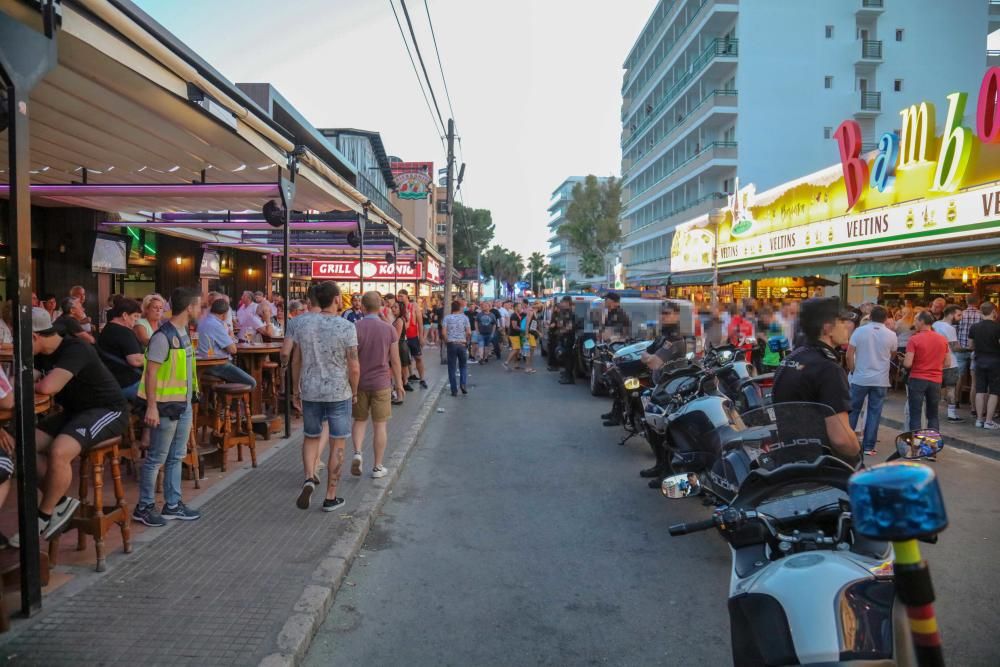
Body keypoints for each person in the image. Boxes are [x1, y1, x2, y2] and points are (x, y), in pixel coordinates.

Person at [28, 307, 129, 542]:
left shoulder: (76, 348)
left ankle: (44, 514)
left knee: (59, 451)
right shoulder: (38, 355)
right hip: (76, 412)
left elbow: (47, 387)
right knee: (20, 445)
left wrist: (32, 380)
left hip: (108, 410)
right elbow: (23, 380)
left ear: (34, 337)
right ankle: (61, 503)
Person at [282, 281, 359, 512]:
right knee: (338, 442)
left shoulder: (297, 322)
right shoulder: (346, 327)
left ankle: (309, 477)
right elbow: (354, 365)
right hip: (338, 391)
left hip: (310, 389)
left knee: (311, 436)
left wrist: (295, 390)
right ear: (336, 299)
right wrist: (354, 391)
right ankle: (330, 496)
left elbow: (293, 359)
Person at [131, 288, 202, 526]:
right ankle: (144, 506)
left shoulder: (183, 331)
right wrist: (151, 407)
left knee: (176, 455)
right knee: (156, 457)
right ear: (189, 308)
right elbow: (150, 372)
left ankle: (173, 504)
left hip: (182, 404)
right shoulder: (163, 336)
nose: (200, 309)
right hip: (165, 405)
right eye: (198, 305)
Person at [770, 297, 861, 464]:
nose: (847, 326)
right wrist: (857, 451)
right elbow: (841, 439)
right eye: (842, 321)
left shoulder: (793, 357)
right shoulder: (828, 369)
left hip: (789, 458)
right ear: (828, 328)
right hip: (819, 467)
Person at [350, 291, 405, 479]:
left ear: (363, 307)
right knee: (380, 425)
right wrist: (399, 384)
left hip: (359, 382)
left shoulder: (355, 327)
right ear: (380, 307)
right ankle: (377, 466)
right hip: (382, 382)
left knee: (359, 420)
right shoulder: (389, 329)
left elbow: (350, 359)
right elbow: (395, 360)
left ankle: (357, 453)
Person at [846, 305, 897, 456]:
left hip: (860, 378)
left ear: (870, 316)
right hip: (880, 379)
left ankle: (848, 445)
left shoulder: (859, 331)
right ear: (886, 318)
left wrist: (853, 370)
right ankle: (869, 446)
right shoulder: (891, 334)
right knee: (874, 412)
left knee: (853, 411)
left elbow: (849, 355)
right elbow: (893, 354)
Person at [903, 311, 951, 433]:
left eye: (915, 320)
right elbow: (947, 363)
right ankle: (932, 447)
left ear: (922, 322)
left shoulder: (914, 339)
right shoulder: (942, 339)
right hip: (936, 380)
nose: (914, 322)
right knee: (933, 415)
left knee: (915, 414)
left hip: (918, 378)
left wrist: (905, 360)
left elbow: (907, 363)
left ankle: (916, 446)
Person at [196, 298, 257, 388]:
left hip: (203, 364)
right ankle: (232, 400)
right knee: (252, 383)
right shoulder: (216, 324)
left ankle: (225, 399)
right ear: (224, 314)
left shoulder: (202, 321)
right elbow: (233, 350)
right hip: (216, 365)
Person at [97, 297, 145, 401]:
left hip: (112, 383)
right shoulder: (124, 332)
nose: (137, 320)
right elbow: (135, 360)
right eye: (135, 316)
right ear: (124, 315)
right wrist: (154, 357)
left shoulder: (108, 328)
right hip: (128, 384)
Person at [969, 301, 1000, 429]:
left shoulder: (974, 327)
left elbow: (971, 345)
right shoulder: (998, 327)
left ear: (981, 312)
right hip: (995, 361)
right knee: (994, 391)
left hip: (979, 360)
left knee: (980, 390)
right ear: (994, 312)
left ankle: (979, 419)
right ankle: (988, 421)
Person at [933, 305, 964, 423]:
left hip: (936, 361)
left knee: (935, 389)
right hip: (950, 362)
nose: (960, 318)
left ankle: (932, 412)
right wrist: (968, 349)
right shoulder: (949, 328)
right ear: (951, 314)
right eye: (959, 315)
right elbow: (954, 347)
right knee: (951, 388)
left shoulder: (935, 324)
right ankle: (951, 414)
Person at [956, 295, 982, 417]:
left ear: (966, 302)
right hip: (975, 350)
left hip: (960, 349)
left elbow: (955, 330)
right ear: (978, 302)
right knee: (974, 381)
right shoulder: (981, 315)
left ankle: (955, 402)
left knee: (959, 377)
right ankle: (973, 408)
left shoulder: (960, 314)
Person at [397, 290, 426, 388]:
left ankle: (422, 379)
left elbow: (420, 322)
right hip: (402, 337)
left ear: (407, 296)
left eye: (401, 296)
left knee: (418, 357)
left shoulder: (414, 306)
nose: (399, 298)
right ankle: (405, 381)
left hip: (413, 336)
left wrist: (421, 336)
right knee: (404, 360)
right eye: (398, 296)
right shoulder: (397, 307)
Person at [443, 300, 471, 396]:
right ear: (460, 308)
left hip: (451, 344)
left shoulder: (447, 318)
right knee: (463, 366)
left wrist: (447, 341)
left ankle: (454, 389)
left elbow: (443, 332)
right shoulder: (465, 318)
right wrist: (466, 341)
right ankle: (463, 384)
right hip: (462, 344)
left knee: (452, 367)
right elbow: (468, 332)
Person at [552, 296, 578, 384]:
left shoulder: (571, 313)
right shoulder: (564, 312)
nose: (561, 304)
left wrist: (563, 329)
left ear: (567, 303)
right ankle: (567, 374)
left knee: (569, 358)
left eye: (563, 302)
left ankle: (569, 378)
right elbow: (560, 323)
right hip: (564, 337)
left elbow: (570, 326)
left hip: (569, 338)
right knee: (564, 357)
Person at [390, 301, 413, 392]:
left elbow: (397, 337)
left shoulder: (399, 320)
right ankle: (402, 384)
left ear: (400, 309)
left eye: (396, 307)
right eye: (393, 307)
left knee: (402, 366)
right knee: (402, 366)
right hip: (401, 345)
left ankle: (401, 385)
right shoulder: (398, 319)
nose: (393, 309)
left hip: (400, 346)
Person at [504, 302, 523, 371]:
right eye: (519, 306)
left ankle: (516, 365)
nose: (520, 308)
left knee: (517, 350)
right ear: (515, 307)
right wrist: (523, 330)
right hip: (514, 334)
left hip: (517, 335)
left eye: (521, 306)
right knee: (516, 349)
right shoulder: (514, 315)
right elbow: (514, 326)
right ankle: (506, 362)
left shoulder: (517, 315)